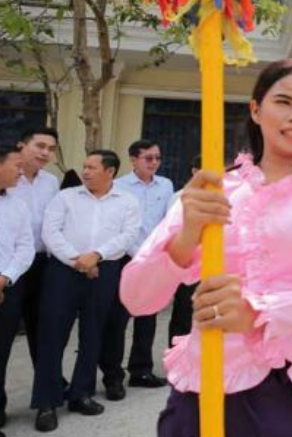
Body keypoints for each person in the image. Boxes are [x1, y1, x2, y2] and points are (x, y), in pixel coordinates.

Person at [121, 59, 292, 437]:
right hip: (210, 378)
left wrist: (256, 312)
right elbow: (137, 299)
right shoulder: (213, 191)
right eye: (283, 102)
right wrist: (188, 234)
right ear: (256, 109)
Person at [32, 150, 140, 432]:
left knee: (93, 334)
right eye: (84, 166)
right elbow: (50, 232)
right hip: (63, 272)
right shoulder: (66, 197)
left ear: (111, 171)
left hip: (104, 272)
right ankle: (47, 402)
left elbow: (128, 235)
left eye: (92, 167)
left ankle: (81, 394)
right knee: (52, 336)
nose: (86, 171)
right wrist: (78, 260)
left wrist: (97, 255)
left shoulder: (127, 201)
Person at [100, 140, 174, 401]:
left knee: (148, 316)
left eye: (157, 158)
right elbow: (118, 226)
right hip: (125, 257)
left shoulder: (165, 185)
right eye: (148, 158)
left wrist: (156, 253)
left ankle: (141, 370)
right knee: (117, 320)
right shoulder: (118, 186)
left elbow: (167, 221)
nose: (153, 163)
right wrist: (136, 254)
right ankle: (112, 376)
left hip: (153, 258)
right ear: (133, 160)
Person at [0, 148, 35, 437]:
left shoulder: (18, 206)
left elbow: (25, 247)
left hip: (6, 289)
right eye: (16, 165)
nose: (21, 171)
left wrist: (3, 278)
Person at [8, 127, 60, 371]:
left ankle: (48, 387)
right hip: (8, 265)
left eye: (50, 149)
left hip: (41, 263)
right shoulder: (5, 178)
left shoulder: (51, 182)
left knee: (43, 329)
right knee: (1, 333)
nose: (45, 153)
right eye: (40, 146)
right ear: (22, 145)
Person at [166, 154, 201, 346]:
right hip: (188, 265)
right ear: (195, 171)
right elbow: (172, 232)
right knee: (183, 316)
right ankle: (176, 366)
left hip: (217, 265)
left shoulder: (228, 195)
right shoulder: (179, 198)